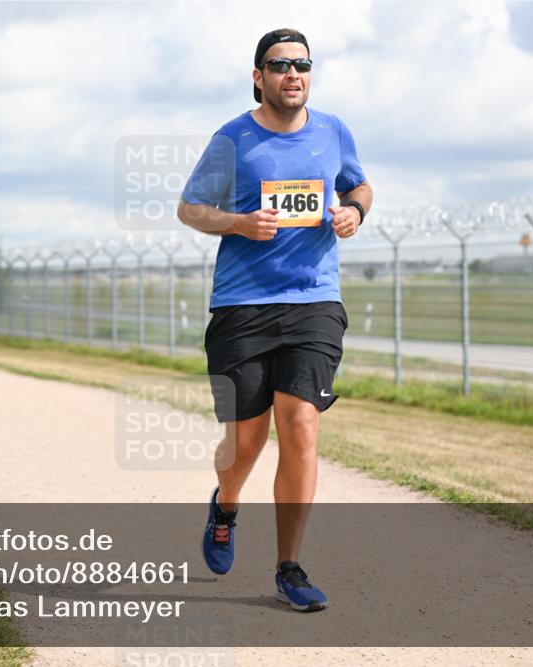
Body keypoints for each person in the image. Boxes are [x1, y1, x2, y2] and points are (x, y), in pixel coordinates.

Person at [177, 28, 372, 612]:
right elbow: (190, 208)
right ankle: (227, 505)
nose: (293, 73)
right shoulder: (232, 138)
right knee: (247, 439)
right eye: (280, 65)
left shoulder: (333, 130)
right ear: (258, 76)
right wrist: (238, 223)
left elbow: (358, 183)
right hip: (242, 306)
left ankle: (289, 567)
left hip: (314, 300)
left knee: (301, 422)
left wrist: (354, 213)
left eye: (302, 64)